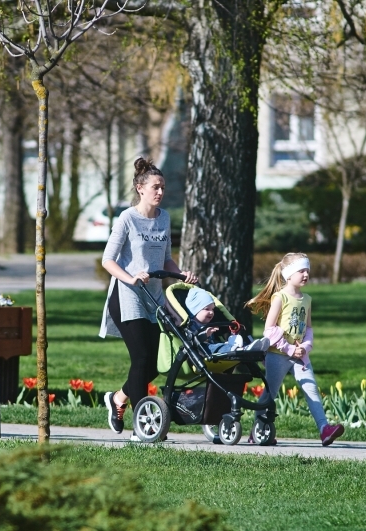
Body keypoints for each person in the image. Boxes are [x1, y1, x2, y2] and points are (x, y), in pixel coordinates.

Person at [100, 157, 197, 439]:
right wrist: (130, 278)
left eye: (163, 187)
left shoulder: (164, 218)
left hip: (152, 298)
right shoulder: (127, 218)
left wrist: (181, 274)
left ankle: (118, 397)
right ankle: (141, 429)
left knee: (155, 362)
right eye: (155, 187)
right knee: (141, 357)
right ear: (140, 188)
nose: (160, 192)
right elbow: (108, 260)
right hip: (127, 294)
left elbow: (166, 259)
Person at [245, 252, 345, 447]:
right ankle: (257, 430)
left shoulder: (306, 299)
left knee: (311, 390)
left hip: (300, 356)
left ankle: (324, 429)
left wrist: (305, 347)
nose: (306, 274)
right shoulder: (280, 297)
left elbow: (308, 328)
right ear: (289, 274)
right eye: (302, 271)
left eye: (308, 270)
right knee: (270, 394)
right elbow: (269, 330)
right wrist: (289, 349)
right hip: (278, 355)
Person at [184, 287, 270, 354]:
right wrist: (205, 335)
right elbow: (192, 342)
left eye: (213, 309)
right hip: (202, 351)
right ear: (195, 311)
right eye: (207, 309)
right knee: (216, 347)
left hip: (214, 348)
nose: (211, 312)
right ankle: (240, 349)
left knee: (223, 345)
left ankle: (247, 347)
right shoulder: (191, 325)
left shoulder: (210, 323)